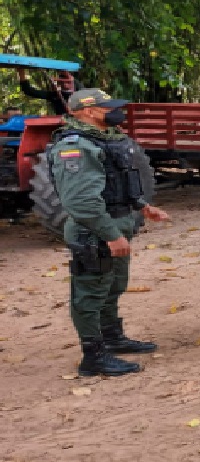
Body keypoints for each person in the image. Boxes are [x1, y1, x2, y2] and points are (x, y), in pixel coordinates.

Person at [49, 88, 170, 377]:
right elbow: (82, 202)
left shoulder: (107, 140)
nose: (116, 111)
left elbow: (117, 180)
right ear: (88, 111)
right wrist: (110, 234)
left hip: (115, 223)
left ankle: (112, 337)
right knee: (90, 292)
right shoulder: (76, 146)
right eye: (108, 107)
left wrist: (141, 206)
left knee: (112, 284)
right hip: (94, 231)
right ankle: (93, 357)